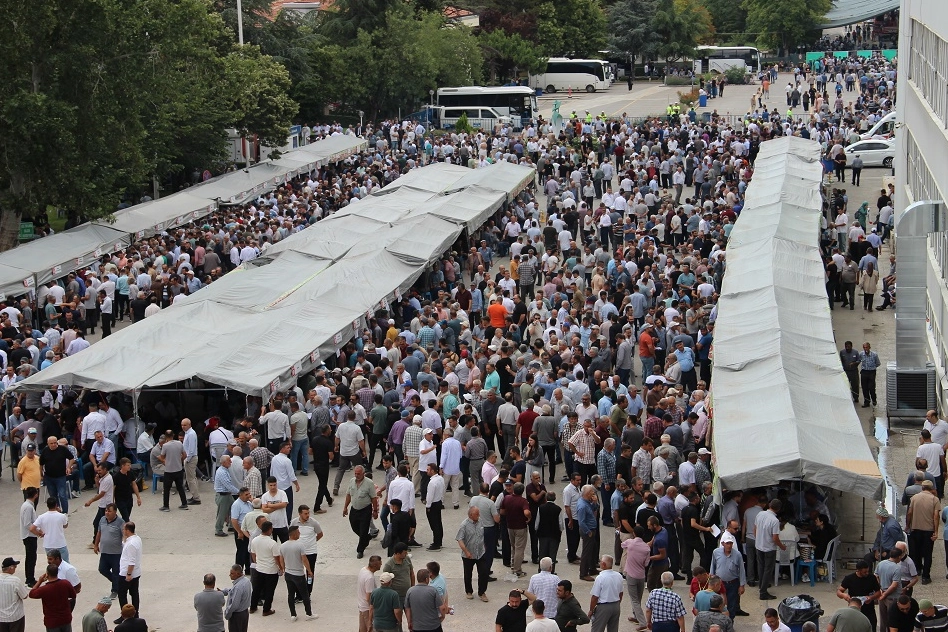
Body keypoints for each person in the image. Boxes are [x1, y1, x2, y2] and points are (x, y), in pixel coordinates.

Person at [280, 526, 316, 621]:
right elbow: (304, 559)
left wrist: (284, 569)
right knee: (305, 594)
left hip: (288, 574)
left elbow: (281, 560)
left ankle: (293, 615)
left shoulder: (283, 546)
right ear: (295, 534)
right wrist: (309, 570)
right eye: (298, 532)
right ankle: (309, 614)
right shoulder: (300, 545)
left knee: (290, 594)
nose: (299, 534)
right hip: (298, 574)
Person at [343, 465, 380, 559]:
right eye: (355, 473)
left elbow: (374, 498)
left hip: (365, 510)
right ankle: (366, 538)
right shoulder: (352, 481)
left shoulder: (369, 483)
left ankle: (360, 550)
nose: (356, 475)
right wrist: (345, 507)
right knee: (354, 526)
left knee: (363, 530)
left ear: (363, 473)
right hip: (354, 509)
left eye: (358, 474)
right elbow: (348, 495)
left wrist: (375, 511)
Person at [29, 563, 77, 632]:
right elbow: (73, 595)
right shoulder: (65, 583)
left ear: (47, 574)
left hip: (52, 622)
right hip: (65, 619)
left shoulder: (44, 589)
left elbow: (31, 594)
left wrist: (39, 581)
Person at [836, 560, 881, 632]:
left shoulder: (872, 578)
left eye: (867, 571)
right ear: (858, 570)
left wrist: (871, 597)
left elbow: (878, 592)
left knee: (871, 628)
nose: (867, 573)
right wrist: (844, 595)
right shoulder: (849, 578)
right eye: (864, 572)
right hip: (854, 609)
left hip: (869, 609)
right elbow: (839, 591)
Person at [710, 532, 747, 619]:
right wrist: (711, 581)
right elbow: (713, 566)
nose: (729, 545)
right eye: (727, 543)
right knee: (718, 604)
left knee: (732, 605)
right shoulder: (716, 552)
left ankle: (730, 622)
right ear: (723, 543)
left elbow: (742, 570)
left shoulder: (737, 554)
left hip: (733, 584)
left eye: (731, 543)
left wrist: (742, 585)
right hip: (719, 583)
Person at [249, 521, 282, 616]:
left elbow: (253, 553)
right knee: (269, 591)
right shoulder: (272, 543)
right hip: (271, 570)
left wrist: (257, 562)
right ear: (270, 529)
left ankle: (252, 607)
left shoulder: (255, 540)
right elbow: (276, 558)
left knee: (256, 589)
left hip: (259, 568)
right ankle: (266, 609)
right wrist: (280, 568)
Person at [754, 499, 785, 600]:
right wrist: (782, 546)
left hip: (759, 545)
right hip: (769, 548)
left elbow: (755, 529)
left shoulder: (760, 514)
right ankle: (763, 592)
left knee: (761, 567)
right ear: (778, 509)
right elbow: (775, 538)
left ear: (769, 505)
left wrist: (758, 539)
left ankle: (762, 585)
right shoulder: (775, 521)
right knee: (768, 570)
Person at [457, 506, 490, 602]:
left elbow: (483, 535)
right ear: (471, 515)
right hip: (469, 554)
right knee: (468, 574)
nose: (479, 515)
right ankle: (469, 591)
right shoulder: (464, 525)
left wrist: (484, 546)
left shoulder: (480, 522)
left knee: (484, 572)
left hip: (480, 553)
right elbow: (460, 539)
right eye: (477, 514)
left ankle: (482, 592)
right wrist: (466, 552)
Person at [92, 504, 124, 600]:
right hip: (105, 551)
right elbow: (99, 532)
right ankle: (118, 583)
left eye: (109, 511)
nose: (107, 513)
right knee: (102, 569)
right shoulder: (102, 520)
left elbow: (124, 536)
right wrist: (96, 545)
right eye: (106, 511)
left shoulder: (120, 522)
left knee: (116, 572)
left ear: (115, 512)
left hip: (116, 553)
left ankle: (115, 590)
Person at [589, 555, 624, 632]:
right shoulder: (618, 576)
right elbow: (621, 593)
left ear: (603, 564)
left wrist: (591, 610)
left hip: (604, 607)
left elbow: (595, 597)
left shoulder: (600, 578)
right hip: (616, 605)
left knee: (597, 629)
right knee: (613, 629)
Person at [30, 498, 70, 562]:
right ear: (56, 505)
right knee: (65, 562)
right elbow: (65, 525)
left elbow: (32, 528)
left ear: (47, 505)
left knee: (52, 563)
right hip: (60, 543)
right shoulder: (61, 516)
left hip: (48, 544)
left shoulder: (41, 517)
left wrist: (39, 534)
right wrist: (60, 512)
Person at [116, 522, 141, 620]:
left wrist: (128, 574)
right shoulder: (136, 539)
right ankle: (135, 613)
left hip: (127, 573)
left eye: (124, 529)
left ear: (127, 530)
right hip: (136, 573)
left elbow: (131, 561)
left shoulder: (131, 544)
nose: (123, 531)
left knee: (122, 594)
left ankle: (125, 615)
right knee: (134, 593)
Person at [158, 430, 189, 511]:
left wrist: (166, 461)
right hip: (178, 469)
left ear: (165, 436)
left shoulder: (165, 446)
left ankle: (166, 506)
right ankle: (184, 503)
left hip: (169, 470)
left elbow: (162, 457)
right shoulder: (179, 443)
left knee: (166, 488)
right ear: (173, 435)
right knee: (180, 487)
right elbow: (185, 455)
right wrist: (180, 460)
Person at [0, 557, 28, 632]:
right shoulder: (15, 580)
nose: (15, 568)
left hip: (1, 617)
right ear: (11, 568)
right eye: (15, 566)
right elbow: (25, 596)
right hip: (15, 617)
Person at [221, 564, 251, 632]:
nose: (229, 575)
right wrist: (224, 591)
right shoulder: (246, 581)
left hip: (237, 616)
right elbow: (233, 591)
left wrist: (227, 614)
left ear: (238, 574)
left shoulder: (238, 587)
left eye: (232, 573)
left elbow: (234, 605)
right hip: (245, 613)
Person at [19, 488, 39, 588]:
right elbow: (27, 524)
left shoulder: (27, 505)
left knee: (31, 557)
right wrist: (38, 533)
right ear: (35, 495)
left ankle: (30, 578)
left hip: (30, 536)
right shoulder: (28, 507)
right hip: (29, 536)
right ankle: (29, 579)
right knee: (31, 558)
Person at [357, 555, 382, 632]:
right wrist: (374, 609)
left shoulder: (363, 569)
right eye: (380, 563)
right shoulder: (370, 578)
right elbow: (369, 597)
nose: (381, 564)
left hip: (362, 606)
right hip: (367, 609)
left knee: (363, 629)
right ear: (375, 565)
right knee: (370, 628)